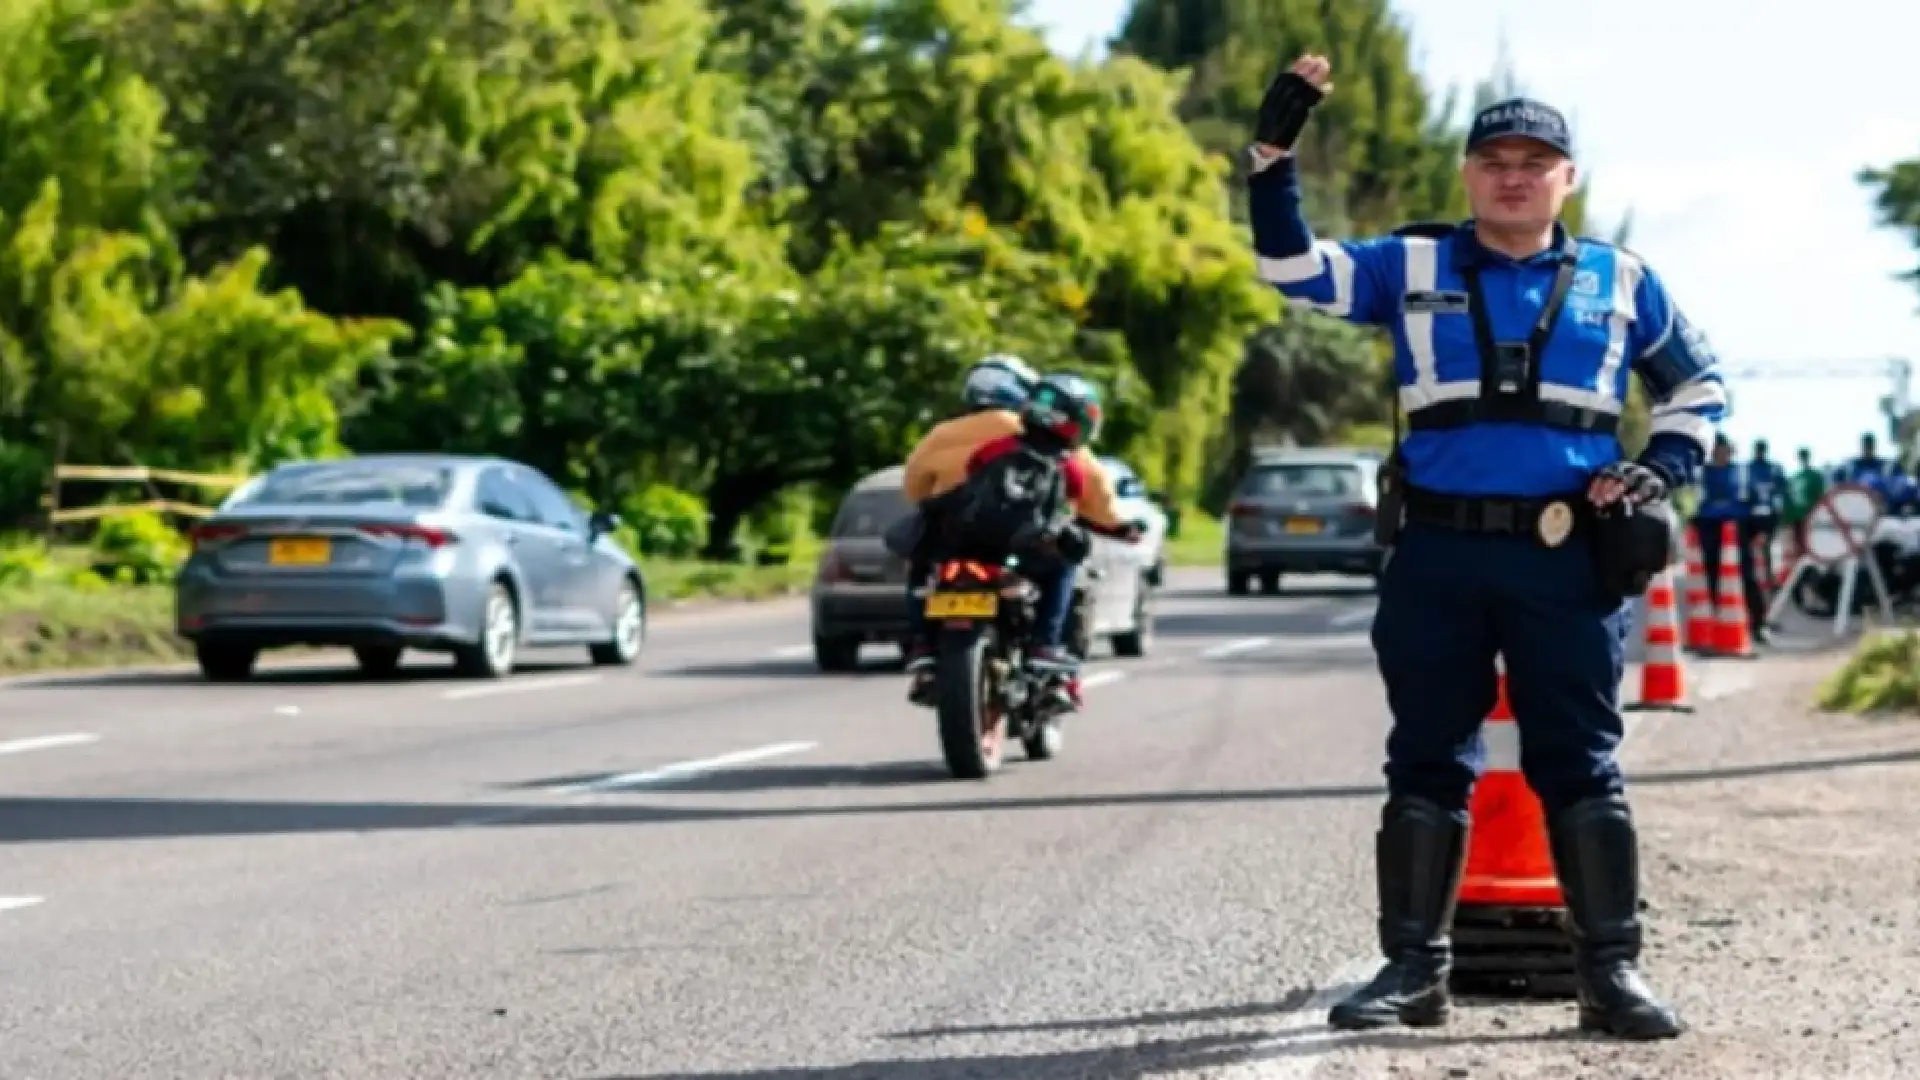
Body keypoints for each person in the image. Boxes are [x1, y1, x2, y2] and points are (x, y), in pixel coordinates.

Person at [1247, 55, 1725, 1040]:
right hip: (1437, 559)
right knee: (1426, 759)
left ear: (1567, 178)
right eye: (1496, 158)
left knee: (1584, 762)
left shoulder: (1622, 280)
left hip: (1566, 560)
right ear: (1467, 174)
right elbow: (1292, 272)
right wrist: (1271, 160)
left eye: (1536, 160)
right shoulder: (1407, 266)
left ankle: (1610, 975)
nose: (1515, 174)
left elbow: (1699, 389)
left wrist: (1657, 470)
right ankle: (1412, 973)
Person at [900, 364, 1130, 702]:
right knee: (1064, 566)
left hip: (959, 542)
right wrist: (1118, 525)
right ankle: (1044, 646)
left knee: (920, 562)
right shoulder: (1065, 454)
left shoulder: (946, 435)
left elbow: (916, 488)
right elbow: (1090, 496)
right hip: (1023, 548)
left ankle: (921, 642)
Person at [1692, 435, 1766, 642]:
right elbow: (1694, 505)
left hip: (1738, 531)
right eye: (1718, 449)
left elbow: (1756, 502)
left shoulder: (1742, 472)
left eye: (1725, 449)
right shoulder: (1702, 473)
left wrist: (1759, 530)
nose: (1722, 454)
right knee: (1714, 576)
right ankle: (1720, 623)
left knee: (1747, 578)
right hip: (1710, 530)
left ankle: (1758, 624)